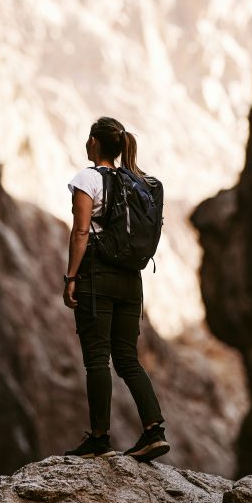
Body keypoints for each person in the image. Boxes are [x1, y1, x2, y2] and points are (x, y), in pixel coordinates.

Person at [61, 116, 170, 462]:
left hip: (97, 276)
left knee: (97, 359)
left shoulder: (87, 179)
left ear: (94, 142)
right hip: (131, 280)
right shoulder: (135, 182)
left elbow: (81, 233)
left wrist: (70, 279)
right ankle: (154, 431)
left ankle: (98, 438)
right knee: (127, 359)